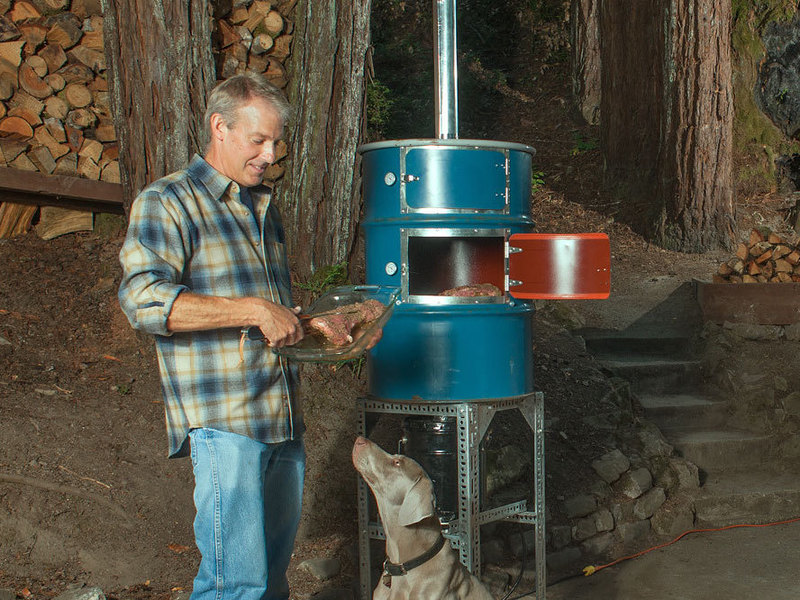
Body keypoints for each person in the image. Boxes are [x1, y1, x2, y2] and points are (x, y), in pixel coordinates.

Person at [118, 73, 306, 600]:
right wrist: (252, 309)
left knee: (271, 584)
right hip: (225, 423)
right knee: (235, 586)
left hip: (282, 418)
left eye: (275, 141)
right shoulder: (168, 202)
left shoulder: (264, 208)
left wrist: (319, 330)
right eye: (258, 140)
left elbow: (270, 317)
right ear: (219, 127)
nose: (270, 154)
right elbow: (143, 299)